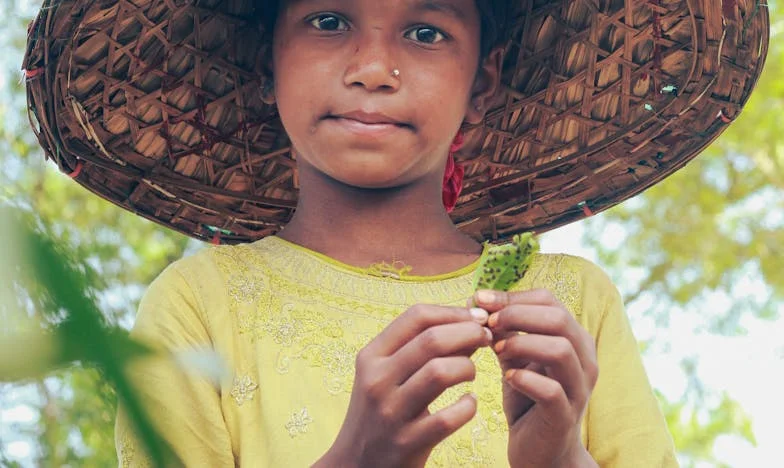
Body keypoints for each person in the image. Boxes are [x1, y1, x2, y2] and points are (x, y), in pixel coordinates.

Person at [20, 0, 768, 466]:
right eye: (328, 21)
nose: (374, 67)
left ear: (487, 79)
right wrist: (356, 461)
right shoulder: (197, 306)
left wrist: (560, 457)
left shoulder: (571, 307)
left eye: (424, 31)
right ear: (264, 65)